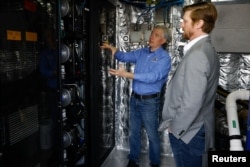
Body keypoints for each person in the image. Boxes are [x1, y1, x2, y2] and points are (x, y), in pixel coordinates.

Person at [101, 25, 171, 167]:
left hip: (150, 102)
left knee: (152, 135)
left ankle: (155, 163)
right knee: (134, 132)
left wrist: (128, 75)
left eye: (156, 35)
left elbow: (153, 77)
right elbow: (124, 56)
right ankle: (133, 160)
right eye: (152, 33)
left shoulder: (164, 58)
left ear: (163, 40)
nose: (152, 36)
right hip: (135, 99)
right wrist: (113, 49)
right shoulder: (142, 52)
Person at [159, 2, 219, 167]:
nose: (181, 24)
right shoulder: (207, 49)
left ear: (199, 23)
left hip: (188, 134)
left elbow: (192, 103)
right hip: (196, 129)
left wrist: (175, 128)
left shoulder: (198, 54)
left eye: (185, 21)